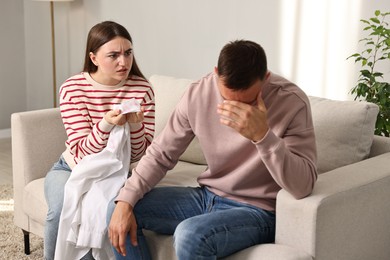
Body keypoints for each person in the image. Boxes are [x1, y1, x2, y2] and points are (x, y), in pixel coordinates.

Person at [107, 40, 317, 259]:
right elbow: (161, 154)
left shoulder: (292, 102)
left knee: (190, 234)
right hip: (207, 197)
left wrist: (263, 136)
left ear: (265, 78)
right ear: (216, 73)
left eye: (248, 102)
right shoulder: (199, 93)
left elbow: (303, 186)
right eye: (227, 99)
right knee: (118, 208)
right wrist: (126, 200)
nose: (237, 109)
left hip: (258, 211)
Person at [44, 21, 155, 260]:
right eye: (113, 55)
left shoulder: (142, 88)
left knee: (102, 211)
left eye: (128, 53)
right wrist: (105, 124)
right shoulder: (73, 88)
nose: (124, 62)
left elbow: (139, 155)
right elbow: (83, 153)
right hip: (72, 167)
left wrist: (135, 124)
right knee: (61, 210)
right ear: (93, 58)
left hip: (120, 170)